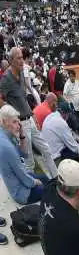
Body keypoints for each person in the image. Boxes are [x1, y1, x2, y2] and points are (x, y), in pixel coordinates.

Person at [0, 47, 58, 177]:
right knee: (29, 161)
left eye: (22, 57)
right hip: (20, 123)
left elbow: (23, 98)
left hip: (29, 118)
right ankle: (31, 190)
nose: (22, 61)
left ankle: (55, 179)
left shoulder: (20, 73)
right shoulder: (6, 78)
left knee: (46, 149)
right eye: (19, 58)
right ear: (11, 60)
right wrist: (10, 113)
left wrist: (32, 115)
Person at [0, 104, 48, 204]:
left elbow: (24, 154)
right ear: (4, 122)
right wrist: (35, 182)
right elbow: (24, 177)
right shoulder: (6, 146)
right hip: (21, 192)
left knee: (48, 180)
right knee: (50, 189)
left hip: (21, 180)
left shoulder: (6, 134)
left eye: (18, 121)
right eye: (14, 122)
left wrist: (22, 135)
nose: (18, 125)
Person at [41, 102, 79, 172]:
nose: (69, 116)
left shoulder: (51, 116)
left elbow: (70, 132)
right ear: (65, 113)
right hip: (57, 159)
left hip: (48, 156)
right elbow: (76, 149)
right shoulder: (61, 122)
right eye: (68, 113)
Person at [63, 69, 79, 134]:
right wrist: (69, 103)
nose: (72, 78)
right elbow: (64, 95)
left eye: (73, 76)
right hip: (74, 105)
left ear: (75, 76)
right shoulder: (67, 84)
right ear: (69, 76)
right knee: (77, 119)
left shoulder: (77, 82)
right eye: (70, 76)